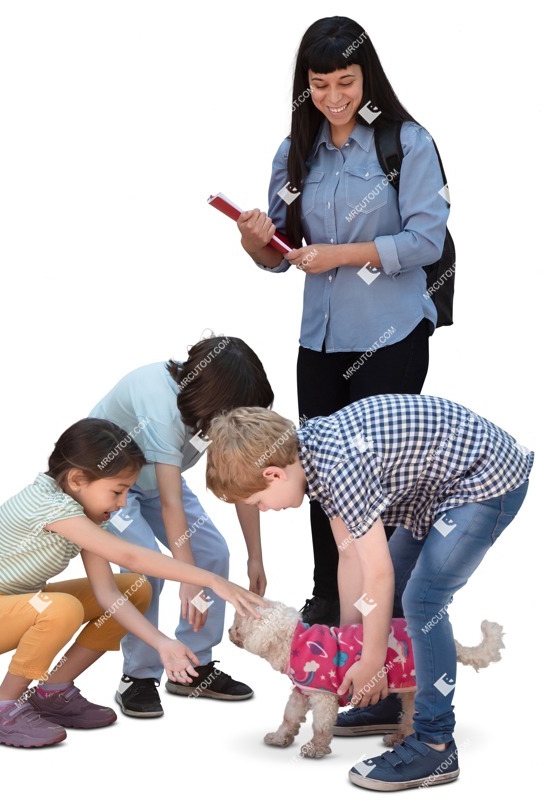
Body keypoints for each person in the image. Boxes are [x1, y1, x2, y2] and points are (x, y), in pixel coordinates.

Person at [236, 16, 450, 631]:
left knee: (375, 478)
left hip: (391, 336)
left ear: (368, 77)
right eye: (320, 83)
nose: (333, 97)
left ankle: (377, 614)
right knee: (321, 473)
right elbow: (281, 255)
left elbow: (425, 239)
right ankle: (328, 600)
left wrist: (340, 255)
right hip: (321, 341)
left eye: (346, 82)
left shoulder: (406, 142)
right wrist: (258, 242)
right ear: (305, 84)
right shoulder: (294, 152)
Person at [205, 395, 533, 790]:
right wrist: (352, 652)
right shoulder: (312, 458)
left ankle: (434, 742)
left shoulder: (339, 468)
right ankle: (389, 700)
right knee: (388, 605)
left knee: (421, 600)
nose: (263, 509)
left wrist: (373, 660)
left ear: (274, 474)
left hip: (484, 480)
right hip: (434, 493)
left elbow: (377, 574)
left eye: (257, 502)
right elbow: (351, 561)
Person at [0, 418, 264, 748]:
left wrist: (163, 643)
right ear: (78, 479)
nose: (124, 503)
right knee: (62, 609)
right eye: (118, 491)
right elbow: (131, 555)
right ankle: (1, 709)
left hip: (14, 605)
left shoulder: (89, 514)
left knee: (134, 589)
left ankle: (53, 692)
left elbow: (108, 594)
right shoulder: (49, 505)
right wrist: (211, 579)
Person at [89, 335, 274, 717]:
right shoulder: (158, 404)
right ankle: (138, 676)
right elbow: (172, 505)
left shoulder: (219, 407)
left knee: (212, 553)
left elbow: (241, 482)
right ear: (214, 399)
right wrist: (189, 579)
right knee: (147, 569)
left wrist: (254, 556)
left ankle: (194, 666)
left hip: (157, 481)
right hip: (111, 487)